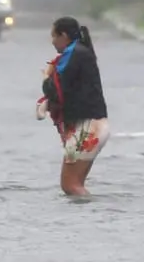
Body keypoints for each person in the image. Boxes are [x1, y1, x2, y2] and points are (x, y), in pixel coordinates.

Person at [37, 17, 110, 197]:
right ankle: (87, 219)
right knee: (75, 185)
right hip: (94, 127)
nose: (52, 42)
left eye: (54, 36)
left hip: (87, 129)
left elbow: (56, 89)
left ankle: (95, 218)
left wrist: (46, 76)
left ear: (64, 35)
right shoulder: (81, 52)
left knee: (70, 186)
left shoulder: (73, 53)